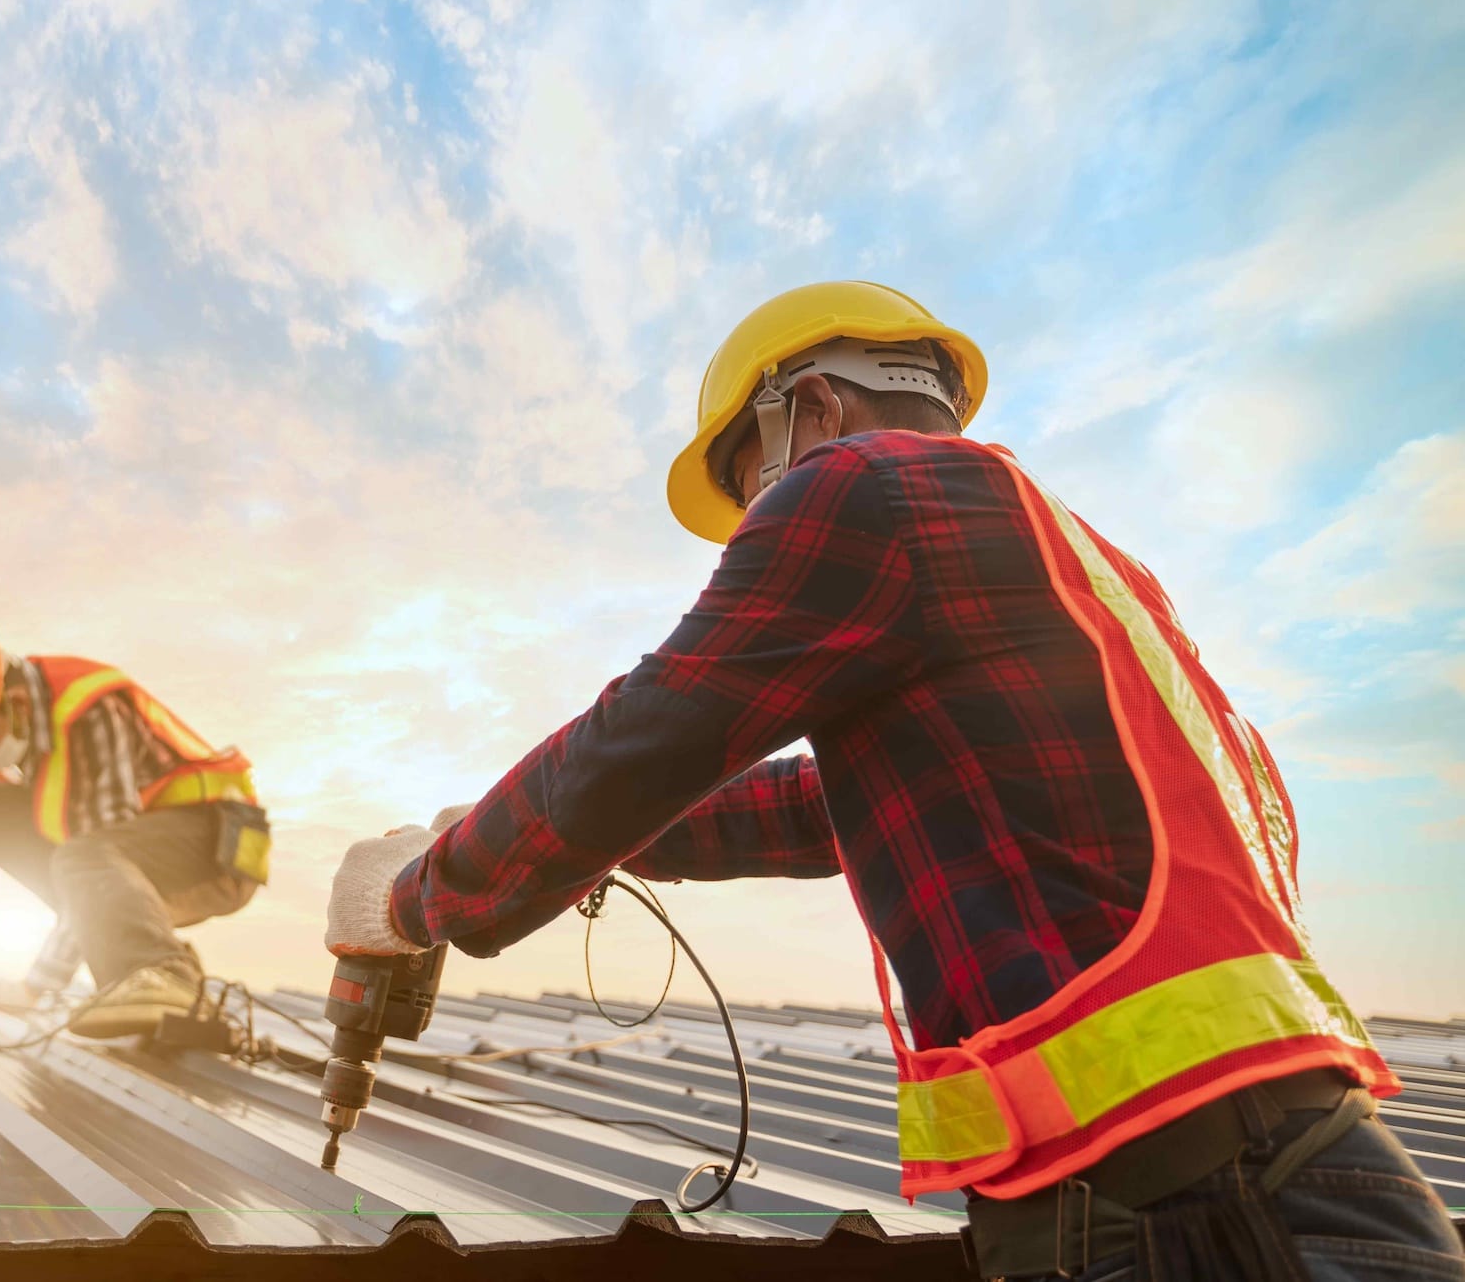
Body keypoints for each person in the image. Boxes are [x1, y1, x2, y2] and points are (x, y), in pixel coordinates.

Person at [324, 282, 1464, 1280]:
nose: (750, 533)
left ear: (809, 409)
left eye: (747, 488)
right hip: (1272, 1182)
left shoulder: (867, 487)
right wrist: (583, 839)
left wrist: (423, 894)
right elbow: (839, 804)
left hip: (1206, 1216)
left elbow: (653, 731)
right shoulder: (1072, 559)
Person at [0, 623, 270, 1038]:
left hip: (219, 847)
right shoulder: (6, 706)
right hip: (138, 850)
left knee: (84, 859)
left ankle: (163, 976)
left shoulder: (90, 715)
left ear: (17, 703)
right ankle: (148, 980)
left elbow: (98, 869)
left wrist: (33, 987)